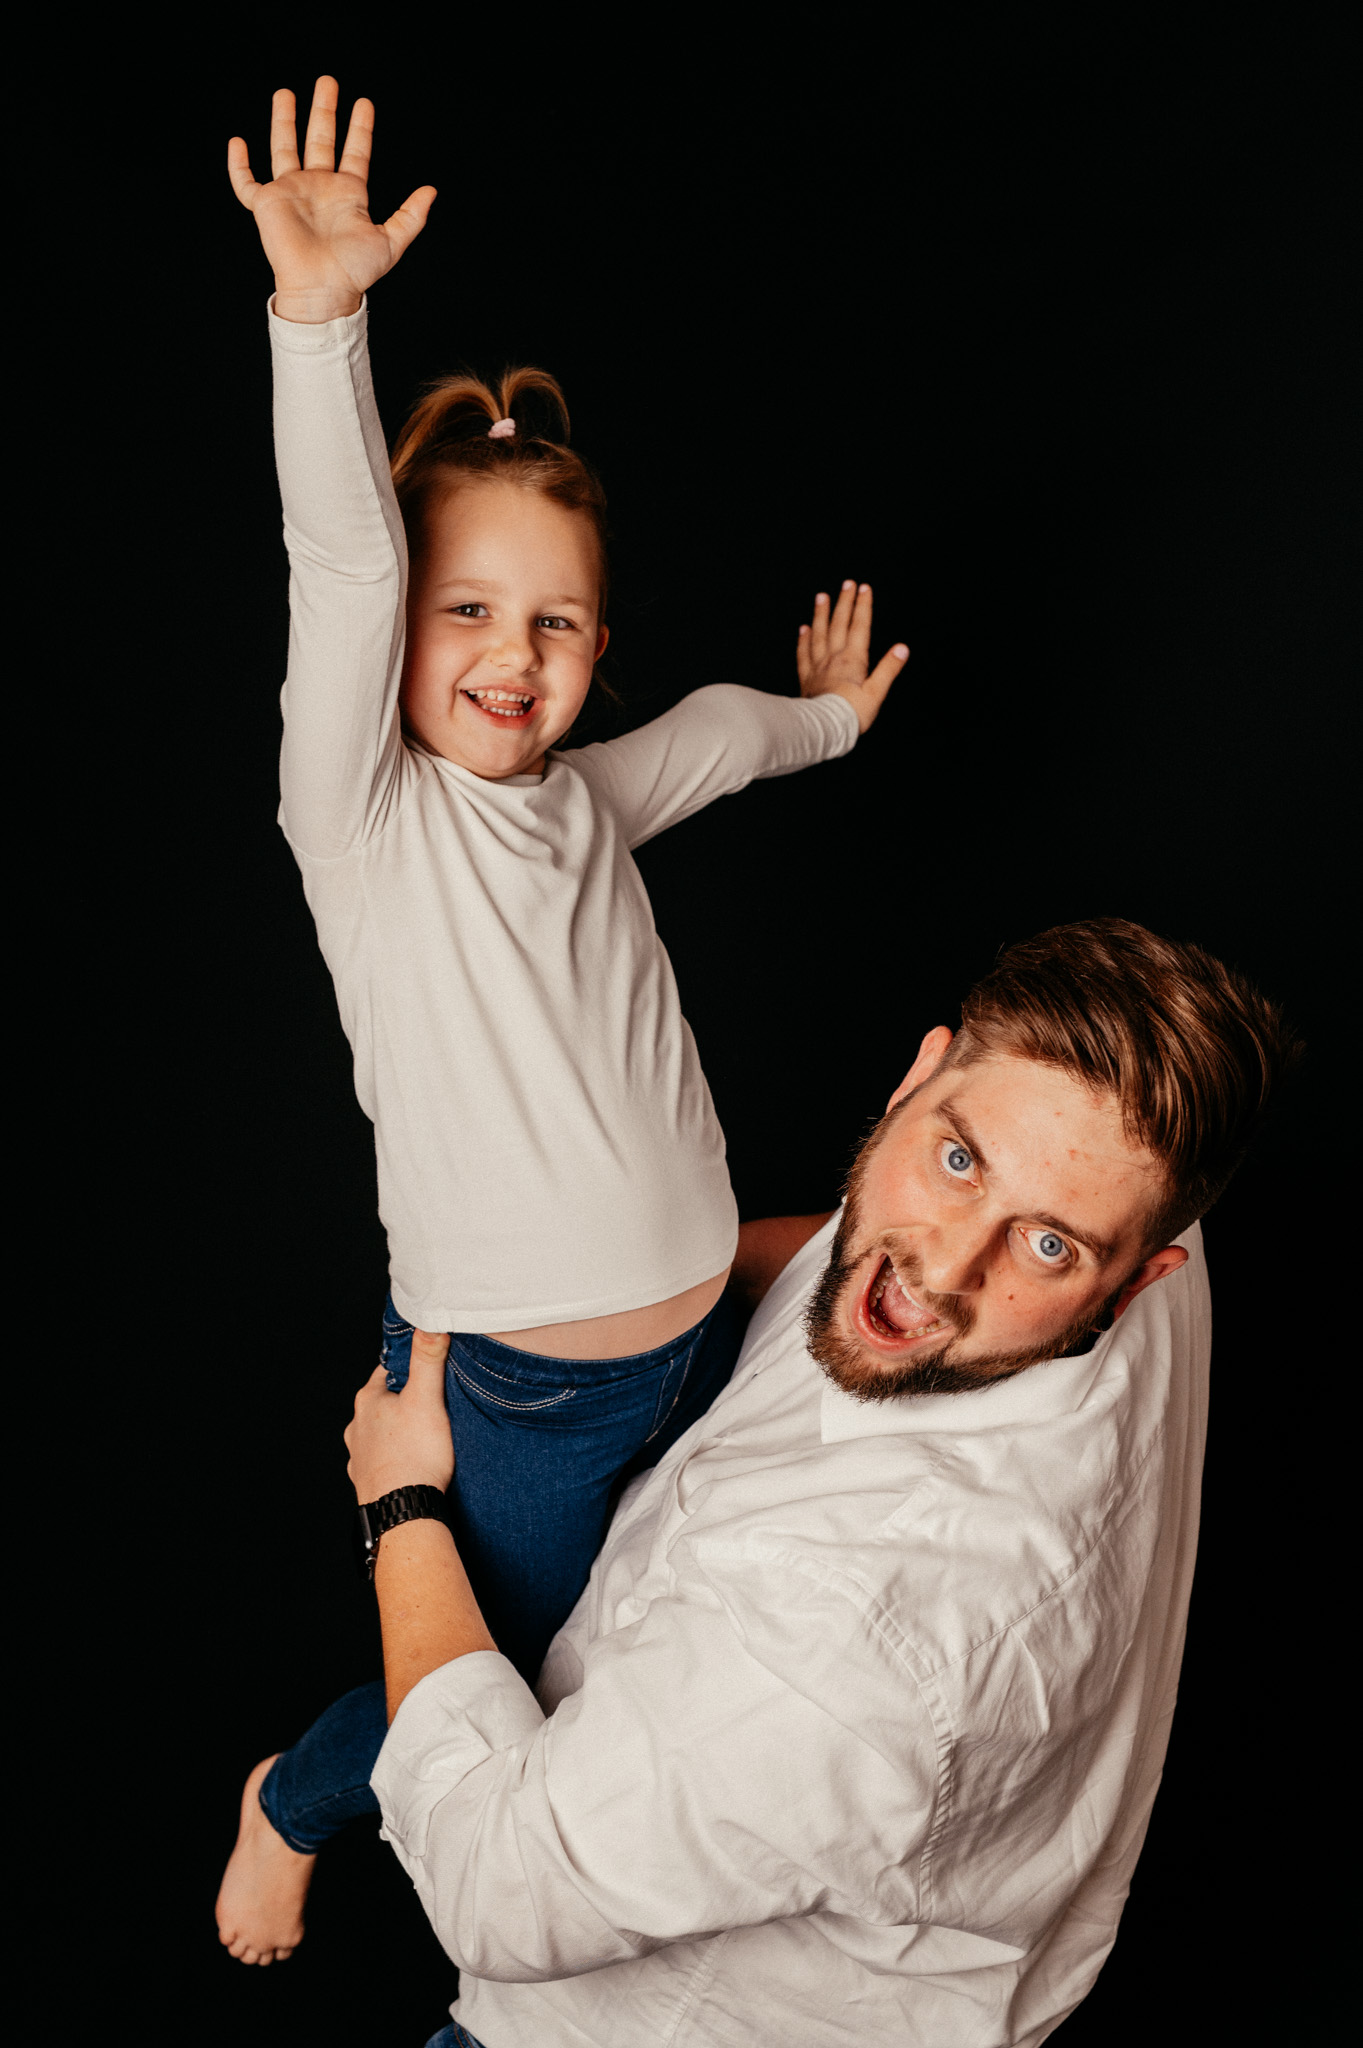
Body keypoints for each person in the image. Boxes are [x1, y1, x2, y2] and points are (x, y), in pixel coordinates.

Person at [214, 77, 908, 1965]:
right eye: (466, 613)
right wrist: (319, 320)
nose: (509, 658)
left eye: (553, 624)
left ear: (594, 645)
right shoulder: (368, 821)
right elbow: (342, 559)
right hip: (515, 1383)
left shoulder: (588, 797)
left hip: (688, 1333)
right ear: (401, 636)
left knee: (634, 1651)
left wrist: (829, 721)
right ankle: (293, 1798)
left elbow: (717, 733)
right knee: (488, 1670)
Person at [338, 919, 1297, 2047]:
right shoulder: (1118, 1155)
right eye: (957, 1160)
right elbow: (837, 1248)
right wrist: (629, 1312)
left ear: (1134, 1286)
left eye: (1045, 1248)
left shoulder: (846, 1647)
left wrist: (399, 1502)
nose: (945, 1267)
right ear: (918, 1077)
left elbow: (498, 1892)